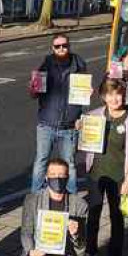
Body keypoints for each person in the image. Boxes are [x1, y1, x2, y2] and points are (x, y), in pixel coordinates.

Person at [79, 78, 128, 256]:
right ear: (104, 97)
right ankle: (90, 251)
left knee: (117, 216)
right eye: (110, 94)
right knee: (94, 213)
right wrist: (80, 127)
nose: (115, 98)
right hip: (96, 173)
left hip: (118, 176)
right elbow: (83, 138)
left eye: (118, 94)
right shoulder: (94, 115)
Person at [19, 158, 89, 256]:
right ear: (46, 177)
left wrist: (76, 233)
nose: (57, 178)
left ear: (67, 177)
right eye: (53, 174)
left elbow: (81, 247)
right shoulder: (32, 200)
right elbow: (26, 232)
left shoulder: (79, 205)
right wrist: (31, 250)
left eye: (61, 175)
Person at [29, 35, 87, 193]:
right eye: (57, 46)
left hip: (69, 125)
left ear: (69, 46)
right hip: (47, 123)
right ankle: (36, 195)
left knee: (69, 164)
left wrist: (87, 94)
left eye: (64, 45)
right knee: (41, 161)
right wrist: (33, 90)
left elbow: (82, 96)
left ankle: (72, 197)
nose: (61, 49)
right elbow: (35, 94)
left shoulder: (79, 66)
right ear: (52, 48)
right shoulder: (45, 66)